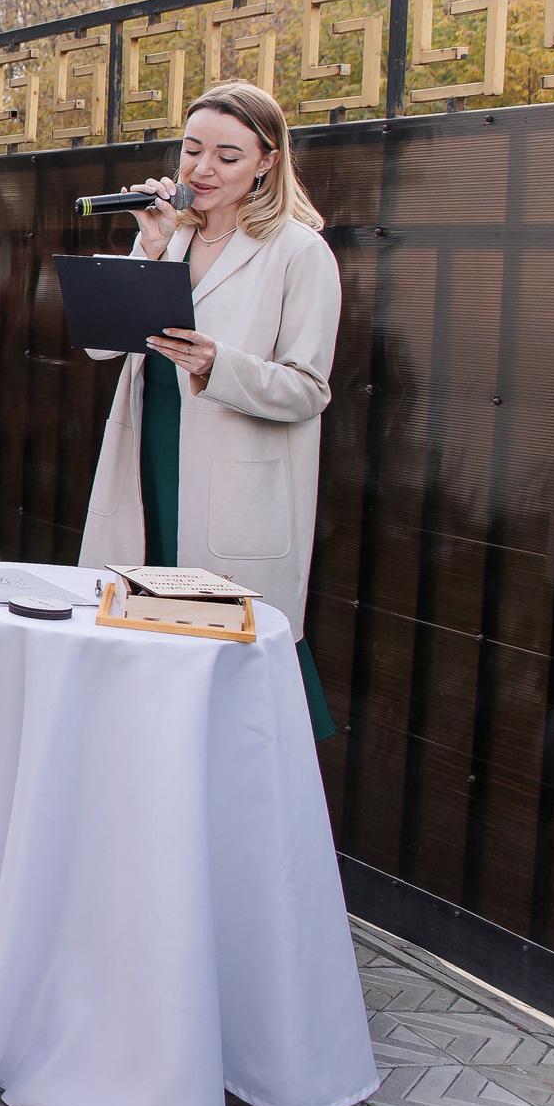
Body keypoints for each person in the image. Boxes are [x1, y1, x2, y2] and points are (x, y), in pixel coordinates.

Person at [78, 80, 340, 738]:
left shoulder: (300, 251)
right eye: (193, 149)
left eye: (227, 155)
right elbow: (101, 347)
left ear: (267, 160)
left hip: (232, 491)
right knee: (140, 671)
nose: (202, 168)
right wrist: (153, 242)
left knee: (225, 693)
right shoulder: (173, 238)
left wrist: (217, 364)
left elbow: (308, 388)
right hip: (149, 468)